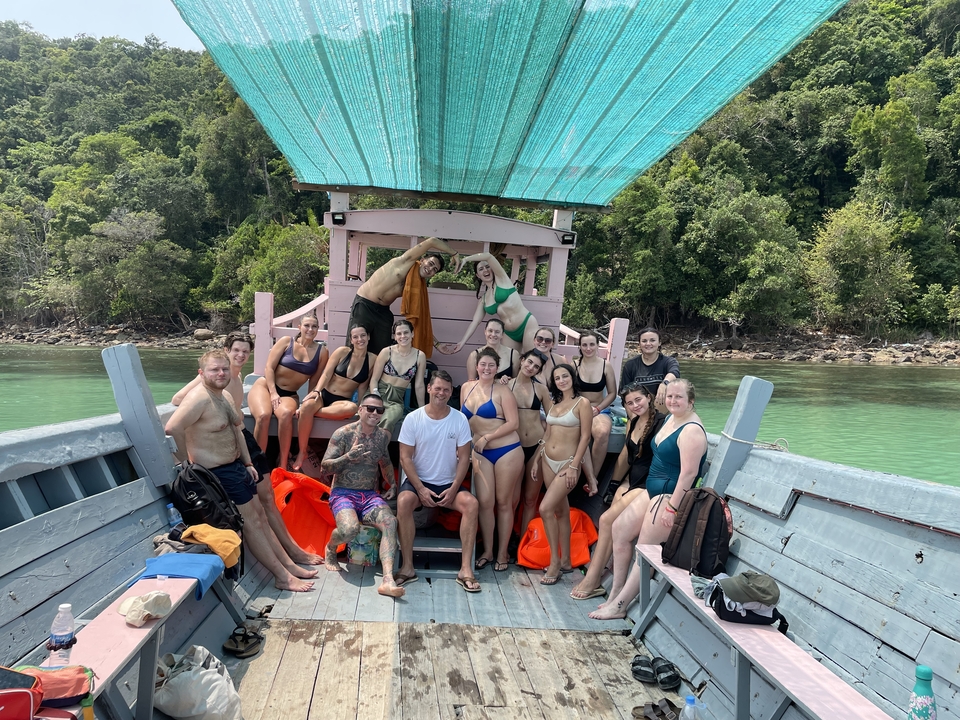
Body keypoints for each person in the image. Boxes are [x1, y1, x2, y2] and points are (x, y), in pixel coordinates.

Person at [165, 350, 316, 592]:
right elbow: (173, 428)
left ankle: (289, 565)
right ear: (201, 373)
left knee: (261, 515)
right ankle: (282, 577)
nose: (221, 373)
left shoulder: (224, 395)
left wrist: (247, 463)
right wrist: (188, 464)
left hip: (237, 467)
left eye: (224, 369)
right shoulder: (199, 399)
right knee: (251, 522)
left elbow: (237, 431)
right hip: (218, 472)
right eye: (214, 370)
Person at [589, 379, 707, 620]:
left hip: (669, 497)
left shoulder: (692, 430)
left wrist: (672, 508)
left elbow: (689, 474)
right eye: (670, 396)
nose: (673, 400)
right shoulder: (672, 419)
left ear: (691, 401)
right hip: (651, 491)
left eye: (679, 397)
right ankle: (615, 593)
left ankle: (620, 605)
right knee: (619, 530)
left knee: (644, 551)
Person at [570, 383, 665, 600]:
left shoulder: (661, 424)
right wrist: (614, 484)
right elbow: (625, 456)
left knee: (605, 520)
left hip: (646, 485)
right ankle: (599, 571)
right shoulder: (634, 422)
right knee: (609, 520)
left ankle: (593, 579)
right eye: (629, 403)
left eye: (638, 400)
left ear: (649, 398)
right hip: (631, 481)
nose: (635, 405)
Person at [395, 371, 481, 592]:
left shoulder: (459, 419)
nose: (441, 393)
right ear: (429, 389)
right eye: (438, 388)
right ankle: (407, 566)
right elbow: (405, 458)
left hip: (448, 483)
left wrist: (454, 488)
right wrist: (421, 489)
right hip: (419, 482)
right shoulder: (413, 419)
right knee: (404, 502)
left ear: (451, 392)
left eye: (446, 390)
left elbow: (465, 458)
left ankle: (465, 569)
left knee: (471, 504)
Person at [320, 394, 405, 598]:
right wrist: (348, 457)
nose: (375, 413)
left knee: (390, 522)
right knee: (349, 530)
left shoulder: (382, 437)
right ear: (360, 410)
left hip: (368, 496)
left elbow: (385, 461)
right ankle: (331, 548)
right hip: (343, 493)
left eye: (379, 410)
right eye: (370, 408)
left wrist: (392, 484)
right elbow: (325, 467)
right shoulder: (343, 434)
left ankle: (388, 580)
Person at [461, 347, 524, 572]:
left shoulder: (503, 391)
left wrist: (488, 437)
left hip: (506, 450)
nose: (486, 368)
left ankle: (502, 553)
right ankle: (488, 551)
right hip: (480, 452)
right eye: (483, 364)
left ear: (497, 368)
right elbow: (463, 422)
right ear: (476, 366)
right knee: (485, 503)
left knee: (504, 502)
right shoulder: (466, 388)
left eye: (491, 365)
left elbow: (513, 423)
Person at [348, 236, 460, 356]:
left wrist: (437, 344)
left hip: (383, 313)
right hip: (365, 304)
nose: (430, 269)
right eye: (430, 263)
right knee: (355, 350)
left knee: (382, 354)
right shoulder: (404, 262)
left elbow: (420, 320)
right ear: (422, 260)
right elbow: (432, 241)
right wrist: (455, 254)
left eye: (434, 269)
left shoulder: (418, 286)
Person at [534, 363, 594, 585]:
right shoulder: (555, 404)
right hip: (547, 461)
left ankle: (555, 563)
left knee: (545, 508)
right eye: (557, 378)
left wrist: (574, 466)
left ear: (572, 377)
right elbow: (547, 435)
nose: (561, 380)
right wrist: (536, 459)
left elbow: (585, 437)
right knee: (561, 511)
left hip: (567, 463)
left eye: (565, 376)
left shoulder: (582, 403)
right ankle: (567, 560)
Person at [247, 314, 328, 470]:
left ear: (318, 329)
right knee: (263, 416)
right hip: (266, 386)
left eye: (314, 326)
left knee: (285, 415)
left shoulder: (322, 352)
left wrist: (305, 405)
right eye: (307, 325)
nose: (310, 329)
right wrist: (273, 393)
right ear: (299, 327)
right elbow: (269, 367)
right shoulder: (286, 342)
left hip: (289, 394)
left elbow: (314, 381)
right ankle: (258, 464)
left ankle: (283, 465)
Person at [293, 325, 377, 470]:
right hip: (324, 395)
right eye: (355, 337)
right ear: (351, 340)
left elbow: (363, 386)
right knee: (307, 405)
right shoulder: (342, 352)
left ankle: (308, 413)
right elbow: (326, 374)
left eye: (363, 335)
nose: (360, 339)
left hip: (340, 402)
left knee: (352, 408)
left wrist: (361, 405)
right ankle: (302, 451)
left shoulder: (373, 359)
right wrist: (316, 391)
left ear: (368, 337)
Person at [450, 253, 540, 353]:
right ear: (478, 275)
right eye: (481, 269)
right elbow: (475, 322)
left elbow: (488, 256)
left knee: (533, 357)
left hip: (526, 324)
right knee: (509, 360)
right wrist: (462, 342)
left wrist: (465, 259)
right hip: (509, 333)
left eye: (487, 266)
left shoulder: (502, 279)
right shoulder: (483, 299)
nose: (485, 270)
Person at [509, 349, 553, 541]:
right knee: (512, 500)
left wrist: (545, 443)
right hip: (513, 447)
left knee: (530, 500)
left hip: (536, 445)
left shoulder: (541, 389)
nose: (531, 367)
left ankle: (523, 542)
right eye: (529, 362)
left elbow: (552, 419)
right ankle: (506, 540)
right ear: (522, 360)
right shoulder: (506, 385)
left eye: (536, 366)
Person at [573, 331, 618, 488]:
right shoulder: (574, 365)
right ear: (579, 346)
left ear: (598, 345)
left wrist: (598, 408)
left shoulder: (606, 365)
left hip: (600, 409)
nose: (588, 348)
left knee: (602, 432)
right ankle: (589, 477)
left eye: (592, 344)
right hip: (579, 409)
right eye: (584, 345)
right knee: (577, 434)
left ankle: (594, 477)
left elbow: (612, 393)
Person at [368, 319, 426, 434]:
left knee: (388, 420)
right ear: (394, 336)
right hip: (379, 392)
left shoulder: (420, 356)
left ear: (412, 334)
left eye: (406, 332)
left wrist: (422, 410)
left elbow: (419, 385)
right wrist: (375, 396)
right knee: (370, 417)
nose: (403, 336)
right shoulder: (386, 352)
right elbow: (374, 379)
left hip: (396, 400)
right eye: (399, 333)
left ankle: (379, 445)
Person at [619, 327, 680, 410]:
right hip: (638, 408)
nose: (648, 344)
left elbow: (674, 373)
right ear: (639, 344)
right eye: (644, 341)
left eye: (652, 340)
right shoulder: (630, 365)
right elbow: (624, 392)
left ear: (659, 342)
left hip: (661, 406)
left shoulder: (669, 361)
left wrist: (664, 384)